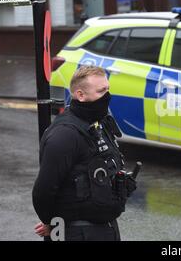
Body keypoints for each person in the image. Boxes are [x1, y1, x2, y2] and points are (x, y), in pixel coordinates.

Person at [32, 66, 137, 241]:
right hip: (76, 233)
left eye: (108, 89)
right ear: (81, 95)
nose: (107, 96)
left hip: (105, 228)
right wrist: (52, 223)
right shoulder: (65, 134)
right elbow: (43, 191)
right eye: (101, 91)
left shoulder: (99, 123)